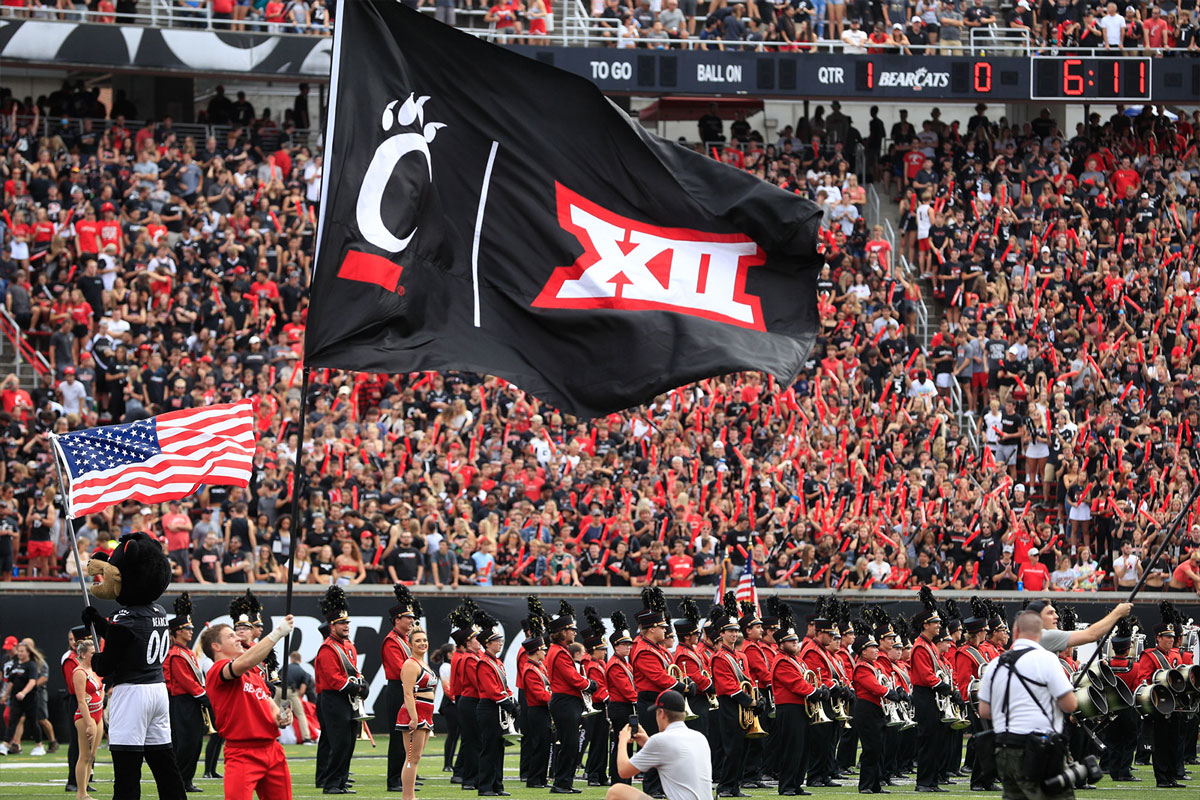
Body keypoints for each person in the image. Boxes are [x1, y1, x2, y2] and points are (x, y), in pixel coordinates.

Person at [978, 611, 1079, 800]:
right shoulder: (1048, 659)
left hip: (1006, 746)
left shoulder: (996, 663)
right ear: (1041, 634)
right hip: (1041, 747)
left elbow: (984, 710)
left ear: (1015, 631)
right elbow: (1070, 705)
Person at [199, 614, 295, 800]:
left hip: (272, 749)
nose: (238, 638)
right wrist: (276, 634)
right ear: (216, 647)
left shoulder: (253, 674)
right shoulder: (217, 670)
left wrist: (281, 717)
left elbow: (268, 702)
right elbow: (245, 662)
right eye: (231, 636)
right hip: (242, 753)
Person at [631, 588, 691, 798]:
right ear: (651, 629)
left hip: (659, 700)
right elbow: (658, 677)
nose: (666, 631)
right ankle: (653, 789)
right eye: (662, 627)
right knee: (655, 745)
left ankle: (661, 787)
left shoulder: (654, 647)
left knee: (663, 746)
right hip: (651, 701)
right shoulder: (644, 649)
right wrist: (681, 686)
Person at [608, 690, 712, 800]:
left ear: (661, 713)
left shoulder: (661, 740)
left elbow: (624, 771)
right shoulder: (699, 737)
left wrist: (622, 740)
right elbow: (671, 755)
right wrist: (647, 742)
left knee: (616, 791)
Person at [313, 587, 362, 795]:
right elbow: (333, 679)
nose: (346, 626)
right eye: (341, 623)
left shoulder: (348, 647)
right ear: (332, 625)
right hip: (334, 699)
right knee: (339, 742)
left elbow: (354, 671)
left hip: (348, 699)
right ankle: (331, 783)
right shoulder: (327, 648)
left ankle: (340, 781)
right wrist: (355, 686)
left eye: (347, 622)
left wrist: (361, 683)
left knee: (349, 742)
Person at [770, 605, 823, 797]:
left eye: (795, 640)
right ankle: (787, 786)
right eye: (790, 641)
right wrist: (814, 692)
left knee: (803, 749)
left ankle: (797, 783)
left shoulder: (797, 660)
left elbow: (807, 679)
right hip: (790, 708)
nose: (795, 643)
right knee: (791, 749)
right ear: (781, 644)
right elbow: (797, 684)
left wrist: (817, 688)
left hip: (802, 708)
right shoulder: (782, 661)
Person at [546, 600, 595, 794]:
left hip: (566, 701)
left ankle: (564, 782)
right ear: (562, 632)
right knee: (570, 744)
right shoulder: (559, 653)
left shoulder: (560, 651)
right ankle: (561, 783)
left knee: (571, 744)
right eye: (571, 630)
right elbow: (572, 678)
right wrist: (590, 684)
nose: (575, 632)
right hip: (565, 701)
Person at [163, 594, 209, 792]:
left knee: (195, 742)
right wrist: (205, 697)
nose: (191, 631)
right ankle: (180, 780)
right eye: (187, 629)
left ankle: (187, 779)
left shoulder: (187, 652)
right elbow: (187, 682)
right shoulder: (176, 654)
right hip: (182, 702)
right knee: (186, 743)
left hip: (191, 701)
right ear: (177, 632)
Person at [908, 590, 951, 793]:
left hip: (932, 695)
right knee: (927, 739)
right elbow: (926, 675)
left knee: (935, 740)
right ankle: (924, 782)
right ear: (926, 625)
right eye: (936, 623)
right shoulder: (920, 646)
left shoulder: (930, 646)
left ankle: (932, 781)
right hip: (925, 694)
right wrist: (942, 684)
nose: (939, 626)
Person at [1135, 612, 1184, 787]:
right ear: (1158, 637)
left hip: (1175, 706)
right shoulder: (1150, 655)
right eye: (1167, 637)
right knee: (1161, 743)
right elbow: (1144, 680)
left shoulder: (1175, 656)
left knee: (1173, 744)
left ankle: (1171, 776)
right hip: (1159, 706)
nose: (1171, 640)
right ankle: (1162, 778)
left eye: (1172, 637)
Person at [472, 610, 513, 797]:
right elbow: (491, 689)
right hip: (489, 708)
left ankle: (498, 785)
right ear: (487, 643)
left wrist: (512, 699)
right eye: (496, 640)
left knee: (499, 748)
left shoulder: (497, 662)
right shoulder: (484, 663)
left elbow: (504, 685)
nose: (500, 643)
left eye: (500, 640)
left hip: (498, 707)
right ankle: (485, 786)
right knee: (489, 749)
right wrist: (507, 702)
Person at [383, 585, 419, 793]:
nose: (411, 621)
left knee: (410, 735)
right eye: (408, 617)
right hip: (399, 690)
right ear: (398, 619)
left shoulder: (405, 640)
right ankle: (394, 778)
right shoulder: (391, 641)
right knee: (399, 736)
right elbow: (400, 670)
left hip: (409, 689)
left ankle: (407, 775)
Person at [396, 627, 435, 800]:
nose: (422, 643)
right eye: (418, 641)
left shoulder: (423, 663)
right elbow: (407, 693)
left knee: (416, 757)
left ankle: (409, 796)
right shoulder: (410, 664)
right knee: (411, 757)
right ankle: (408, 797)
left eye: (424, 640)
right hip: (416, 712)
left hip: (426, 712)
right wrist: (413, 718)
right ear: (410, 644)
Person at [518, 616, 551, 789]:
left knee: (544, 745)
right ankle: (534, 778)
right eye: (543, 650)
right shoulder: (530, 669)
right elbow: (539, 694)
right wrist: (555, 699)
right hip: (537, 710)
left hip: (542, 710)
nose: (545, 652)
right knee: (538, 745)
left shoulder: (538, 666)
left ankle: (541, 778)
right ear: (536, 651)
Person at [605, 613, 637, 788]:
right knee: (621, 745)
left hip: (626, 707)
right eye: (625, 644)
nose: (628, 647)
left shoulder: (624, 663)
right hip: (620, 708)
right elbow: (626, 690)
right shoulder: (616, 664)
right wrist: (641, 699)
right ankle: (619, 780)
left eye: (629, 643)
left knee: (627, 745)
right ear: (616, 646)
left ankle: (625, 780)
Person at [71, 637, 103, 800]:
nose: (95, 655)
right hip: (85, 717)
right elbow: (81, 700)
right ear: (83, 655)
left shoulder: (94, 670)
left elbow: (100, 688)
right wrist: (89, 722)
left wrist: (100, 704)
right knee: (84, 755)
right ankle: (81, 793)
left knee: (92, 755)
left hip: (98, 714)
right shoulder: (79, 672)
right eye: (92, 653)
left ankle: (84, 791)